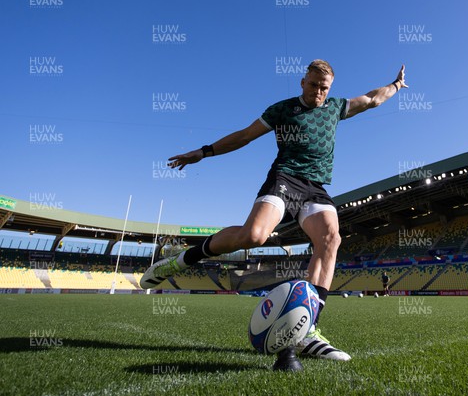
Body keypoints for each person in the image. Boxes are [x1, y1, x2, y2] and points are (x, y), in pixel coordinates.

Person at [141, 59, 408, 365]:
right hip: (284, 179)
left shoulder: (335, 108)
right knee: (253, 236)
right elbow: (244, 136)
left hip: (315, 188)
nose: (318, 92)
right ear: (302, 82)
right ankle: (182, 260)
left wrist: (397, 85)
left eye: (324, 87)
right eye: (313, 85)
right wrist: (203, 151)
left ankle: (309, 330)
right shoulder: (281, 110)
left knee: (331, 239)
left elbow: (373, 99)